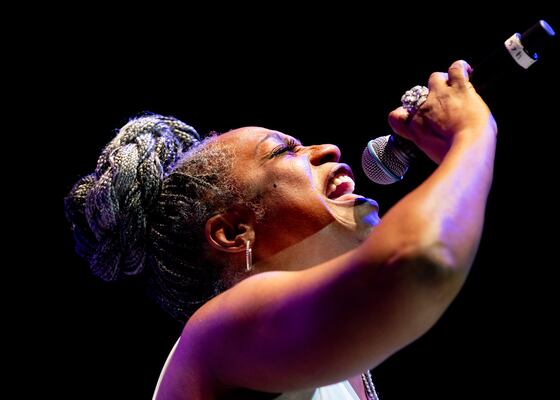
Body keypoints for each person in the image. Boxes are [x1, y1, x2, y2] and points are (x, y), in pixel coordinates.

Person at [65, 60, 497, 399]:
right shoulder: (218, 332)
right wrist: (472, 132)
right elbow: (421, 260)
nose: (327, 148)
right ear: (235, 234)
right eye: (283, 150)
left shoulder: (346, 368)